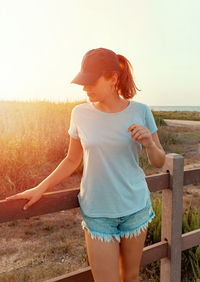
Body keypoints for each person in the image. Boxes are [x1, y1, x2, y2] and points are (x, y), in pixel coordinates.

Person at [5, 47, 166, 282]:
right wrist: (40, 188)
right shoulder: (80, 113)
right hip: (97, 212)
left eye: (91, 81)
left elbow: (159, 161)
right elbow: (72, 159)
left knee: (130, 277)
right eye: (83, 81)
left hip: (135, 208)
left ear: (113, 78)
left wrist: (150, 143)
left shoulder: (141, 111)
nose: (85, 87)